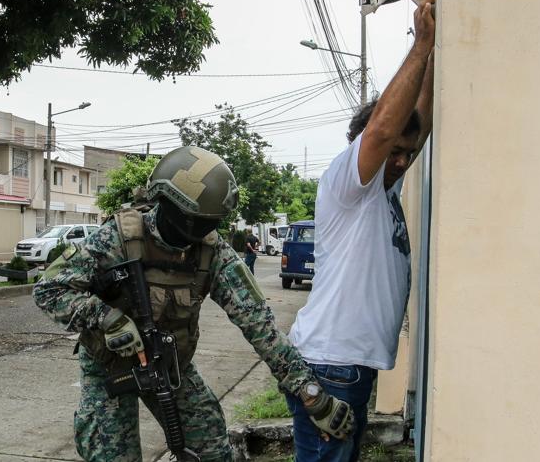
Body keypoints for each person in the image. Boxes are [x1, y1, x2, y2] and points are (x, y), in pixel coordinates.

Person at [35, 146, 354, 462]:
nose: (204, 231)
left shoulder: (212, 253)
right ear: (171, 205)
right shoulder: (116, 239)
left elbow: (259, 325)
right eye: (197, 222)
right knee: (111, 454)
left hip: (169, 364)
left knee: (212, 449)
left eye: (210, 222)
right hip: (109, 366)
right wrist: (106, 318)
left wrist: (312, 396)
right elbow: (49, 289)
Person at [285, 0, 437, 461]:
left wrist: (437, 41)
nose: (401, 161)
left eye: (408, 155)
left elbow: (420, 122)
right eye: (394, 153)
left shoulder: (384, 191)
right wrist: (420, 46)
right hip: (331, 366)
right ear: (361, 148)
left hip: (348, 366)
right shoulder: (347, 183)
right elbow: (383, 131)